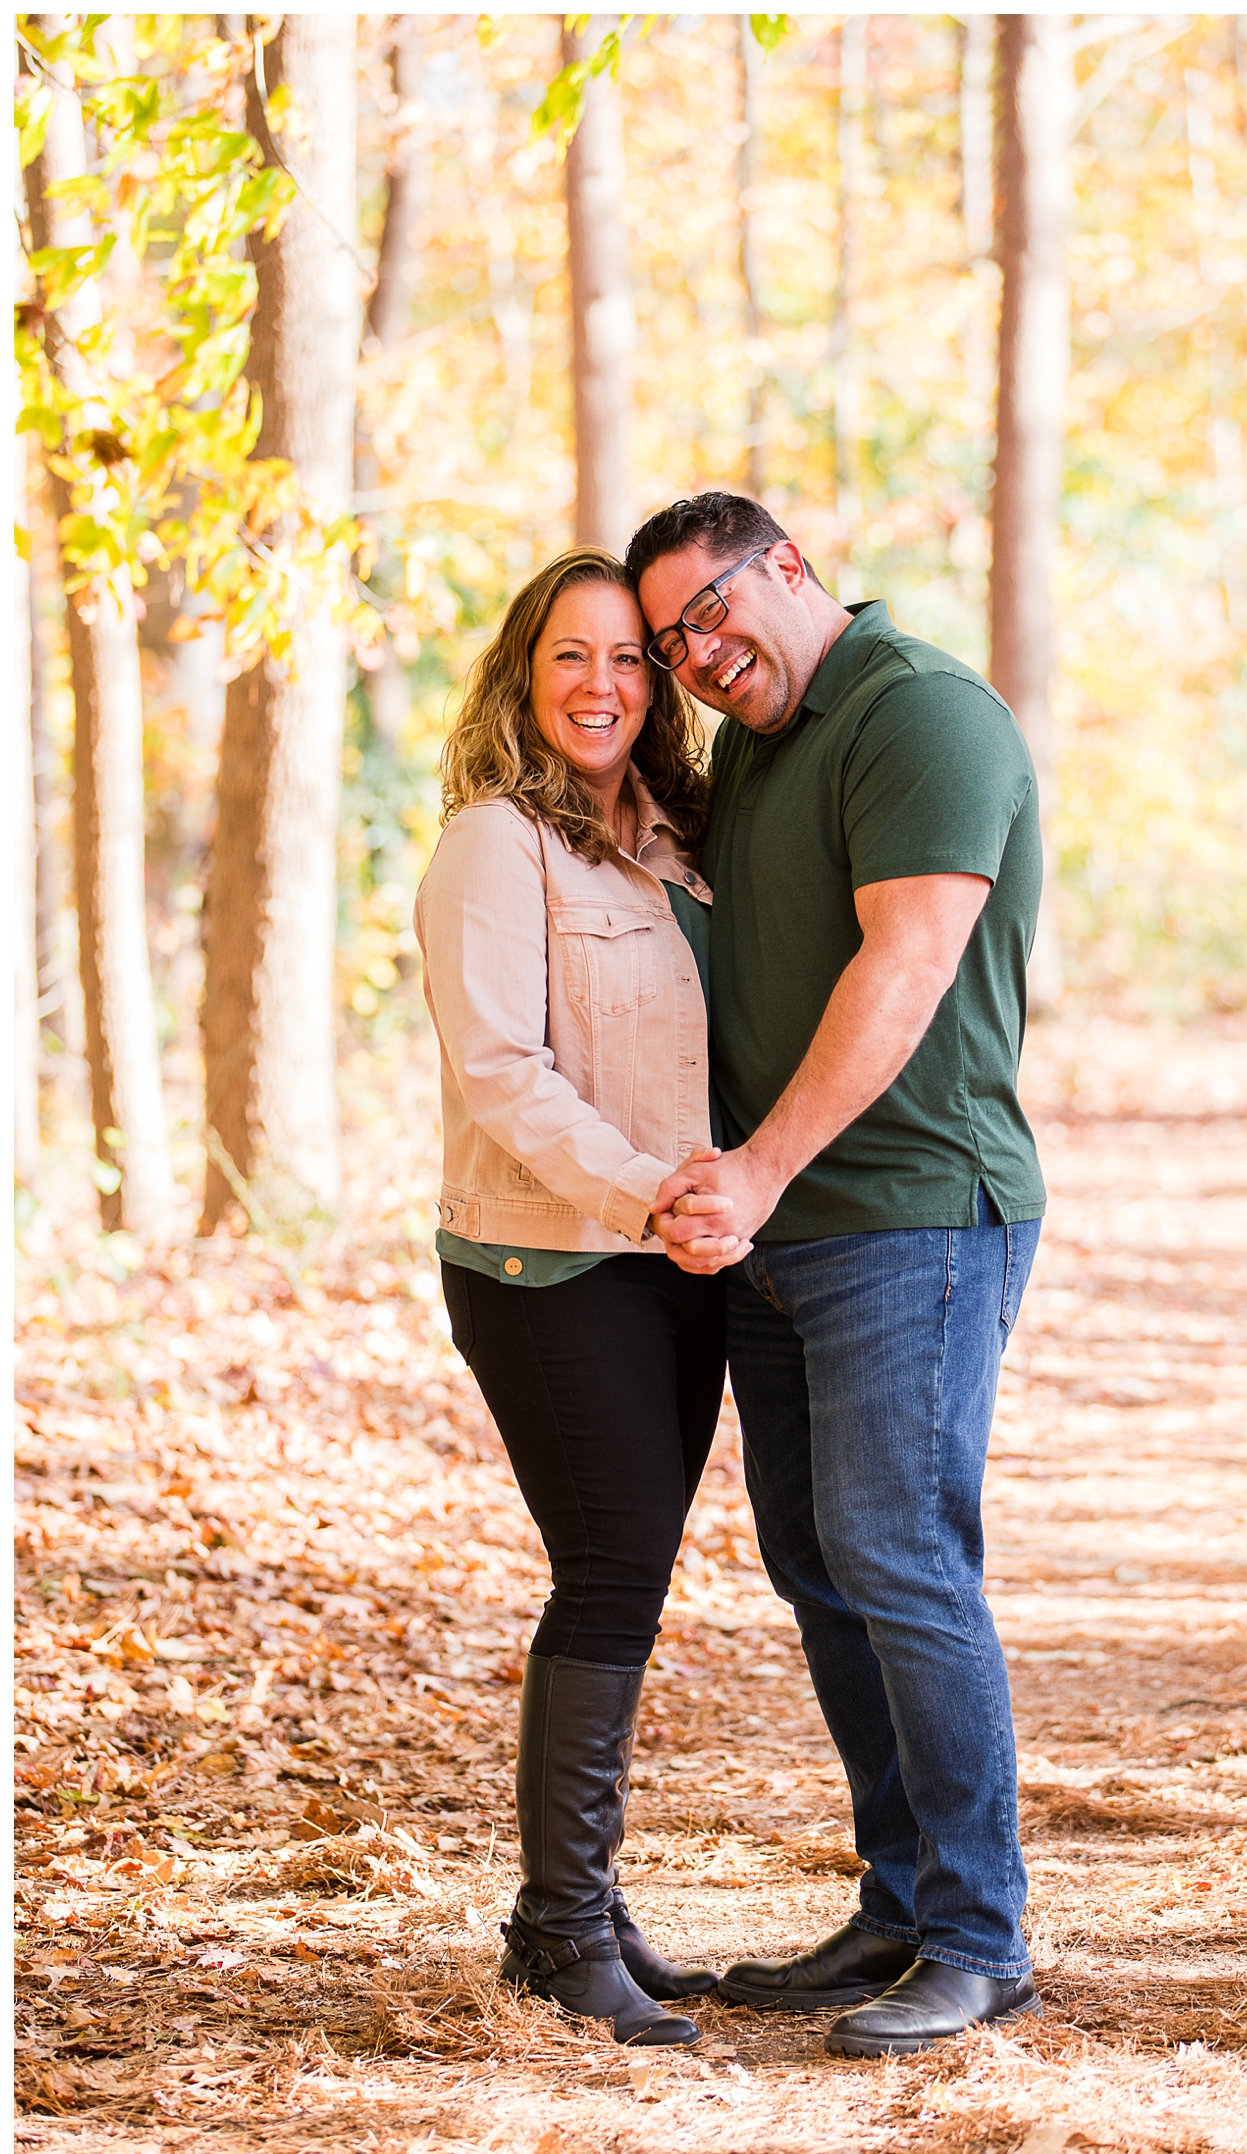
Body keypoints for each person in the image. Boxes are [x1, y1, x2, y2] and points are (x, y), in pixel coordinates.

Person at [627, 493, 1048, 2058]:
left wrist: (760, 1167)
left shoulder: (925, 716)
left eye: (713, 611)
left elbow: (909, 961)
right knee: (823, 1571)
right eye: (673, 642)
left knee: (902, 1558)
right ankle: (900, 1901)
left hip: (917, 1218)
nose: (699, 654)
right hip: (783, 1236)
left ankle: (979, 1936)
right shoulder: (756, 744)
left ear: (789, 566)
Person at [413, 549, 747, 2050]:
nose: (601, 684)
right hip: (549, 1259)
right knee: (609, 1573)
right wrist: (646, 1196)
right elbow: (499, 1074)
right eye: (569, 656)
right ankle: (558, 1934)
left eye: (627, 657)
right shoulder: (498, 844)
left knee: (629, 1570)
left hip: (669, 1259)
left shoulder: (678, 845)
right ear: (522, 674)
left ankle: (581, 1910)